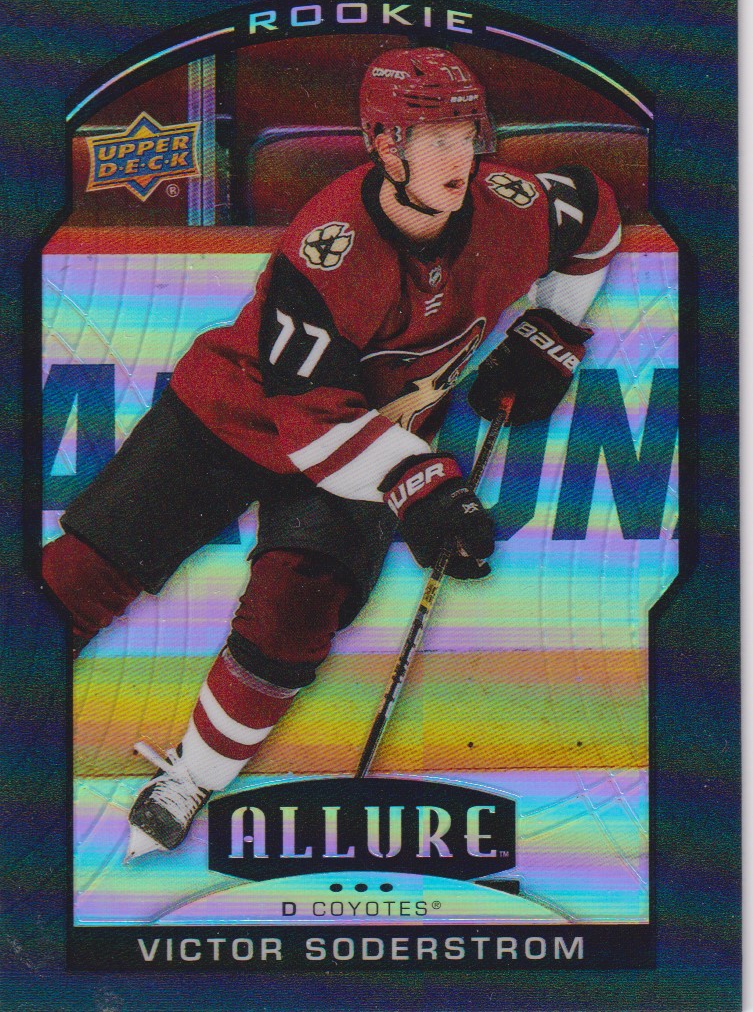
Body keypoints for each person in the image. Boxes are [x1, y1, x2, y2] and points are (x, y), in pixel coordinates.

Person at [42, 47, 621, 860]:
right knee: (79, 577)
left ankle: (191, 779)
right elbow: (313, 427)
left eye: (467, 135)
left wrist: (553, 326)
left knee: (294, 617)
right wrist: (420, 484)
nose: (459, 158)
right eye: (436, 139)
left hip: (373, 437)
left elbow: (594, 213)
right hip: (238, 411)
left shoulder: (511, 206)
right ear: (385, 144)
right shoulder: (329, 249)